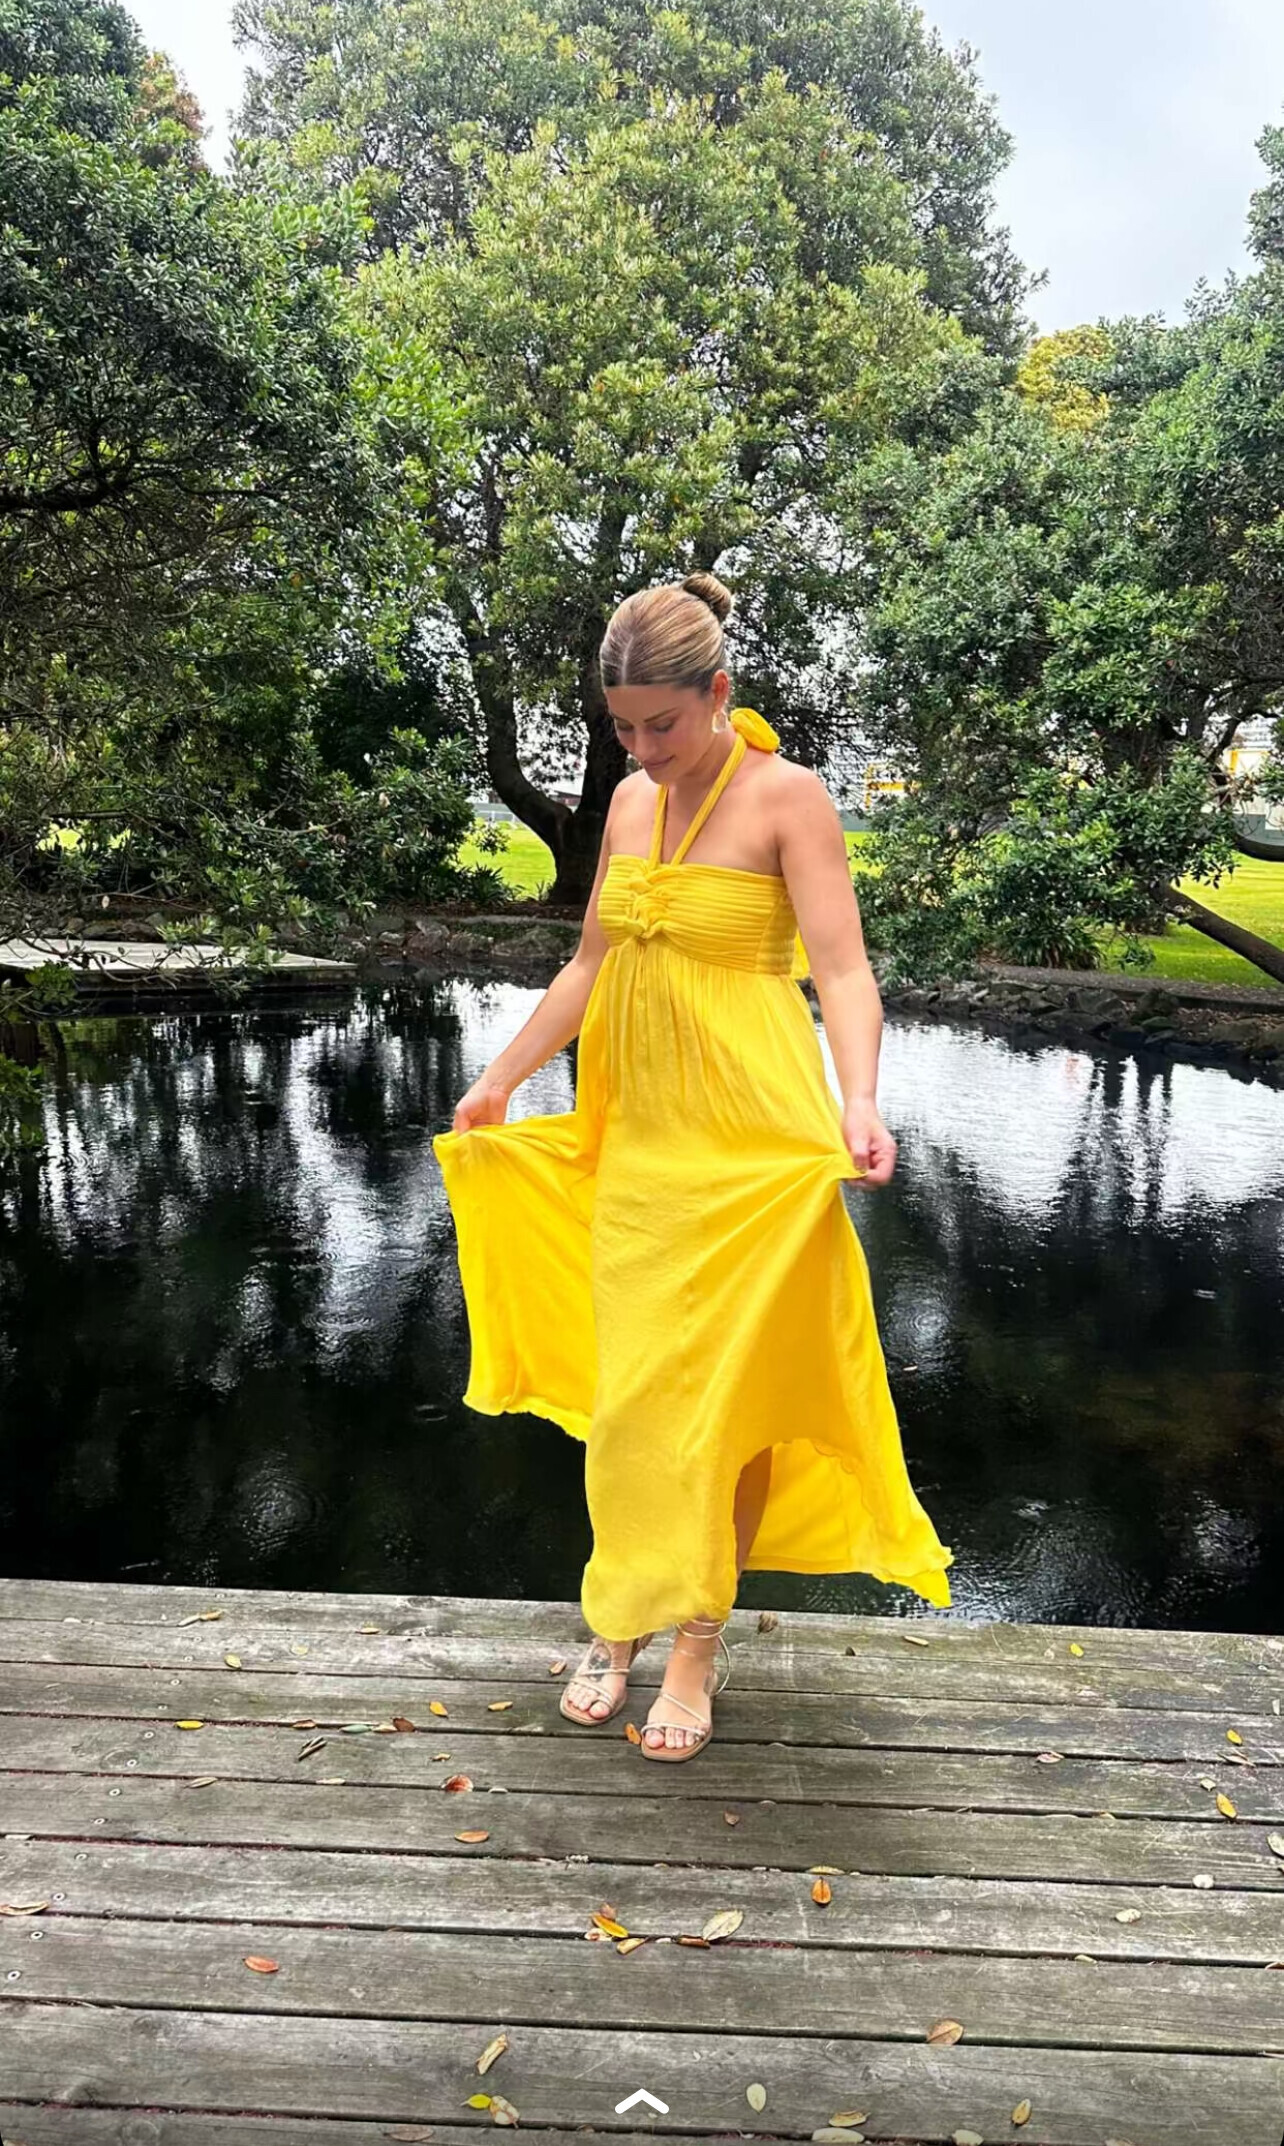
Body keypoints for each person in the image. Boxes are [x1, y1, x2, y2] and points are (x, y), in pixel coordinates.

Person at [432, 572, 951, 1762]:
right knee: (634, 1402)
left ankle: (696, 1643)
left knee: (735, 1411)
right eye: (622, 727)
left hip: (756, 1148)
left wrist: (859, 1099)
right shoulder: (626, 803)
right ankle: (619, 1612)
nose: (641, 748)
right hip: (643, 1145)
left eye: (660, 723)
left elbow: (845, 972)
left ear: (718, 693)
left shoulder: (789, 799)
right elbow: (588, 967)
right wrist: (502, 1076)